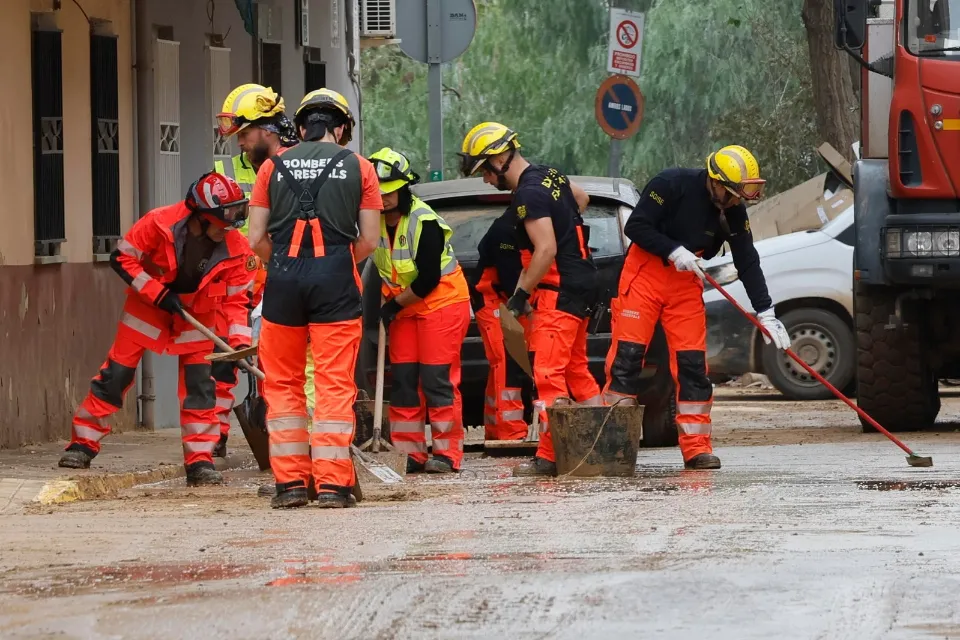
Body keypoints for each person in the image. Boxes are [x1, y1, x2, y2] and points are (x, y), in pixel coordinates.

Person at [601, 145, 791, 469]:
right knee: (627, 360)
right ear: (715, 182)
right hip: (645, 274)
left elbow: (747, 259)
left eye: (738, 198)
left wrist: (766, 311)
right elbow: (636, 227)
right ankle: (612, 446)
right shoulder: (670, 184)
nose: (734, 203)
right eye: (730, 195)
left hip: (686, 280)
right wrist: (673, 250)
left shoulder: (732, 209)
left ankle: (697, 448)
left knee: (693, 366)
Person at [58, 173, 255, 486]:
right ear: (200, 219)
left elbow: (237, 304)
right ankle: (82, 444)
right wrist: (157, 294)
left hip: (199, 320)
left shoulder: (237, 248)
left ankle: (200, 461)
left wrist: (239, 346)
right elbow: (122, 258)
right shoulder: (158, 223)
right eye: (224, 221)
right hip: (147, 313)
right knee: (116, 376)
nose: (231, 228)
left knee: (199, 391)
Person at [247, 88, 381, 509]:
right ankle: (332, 487)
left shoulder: (271, 167)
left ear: (301, 126)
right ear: (340, 128)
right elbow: (370, 241)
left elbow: (255, 239)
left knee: (282, 384)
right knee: (333, 384)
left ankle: (289, 486)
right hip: (336, 284)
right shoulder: (360, 168)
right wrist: (337, 263)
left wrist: (288, 264)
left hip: (283, 285)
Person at [458, 122, 602, 478]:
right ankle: (601, 444)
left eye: (485, 173)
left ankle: (550, 457)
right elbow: (581, 199)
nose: (487, 181)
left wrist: (520, 295)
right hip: (583, 281)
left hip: (559, 290)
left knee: (547, 372)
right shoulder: (549, 175)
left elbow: (546, 249)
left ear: (499, 159)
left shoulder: (528, 193)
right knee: (576, 370)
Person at [368, 147, 472, 474]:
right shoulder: (372, 222)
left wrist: (391, 306)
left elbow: (427, 279)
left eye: (390, 192)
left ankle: (446, 453)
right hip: (404, 307)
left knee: (436, 379)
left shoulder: (423, 220)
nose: (384, 199)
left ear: (403, 187)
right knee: (404, 380)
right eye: (378, 193)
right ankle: (409, 453)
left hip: (440, 302)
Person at [213, 83, 301, 457]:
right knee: (222, 363)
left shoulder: (300, 165)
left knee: (276, 372)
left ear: (268, 128)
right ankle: (211, 440)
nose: (241, 144)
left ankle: (281, 447)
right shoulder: (228, 170)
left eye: (245, 134)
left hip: (280, 282)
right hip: (236, 285)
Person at [470, 210, 531, 441]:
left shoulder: (519, 227)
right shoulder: (505, 232)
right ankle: (510, 431)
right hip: (493, 298)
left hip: (507, 298)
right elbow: (511, 280)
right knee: (506, 360)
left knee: (502, 363)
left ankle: (496, 428)